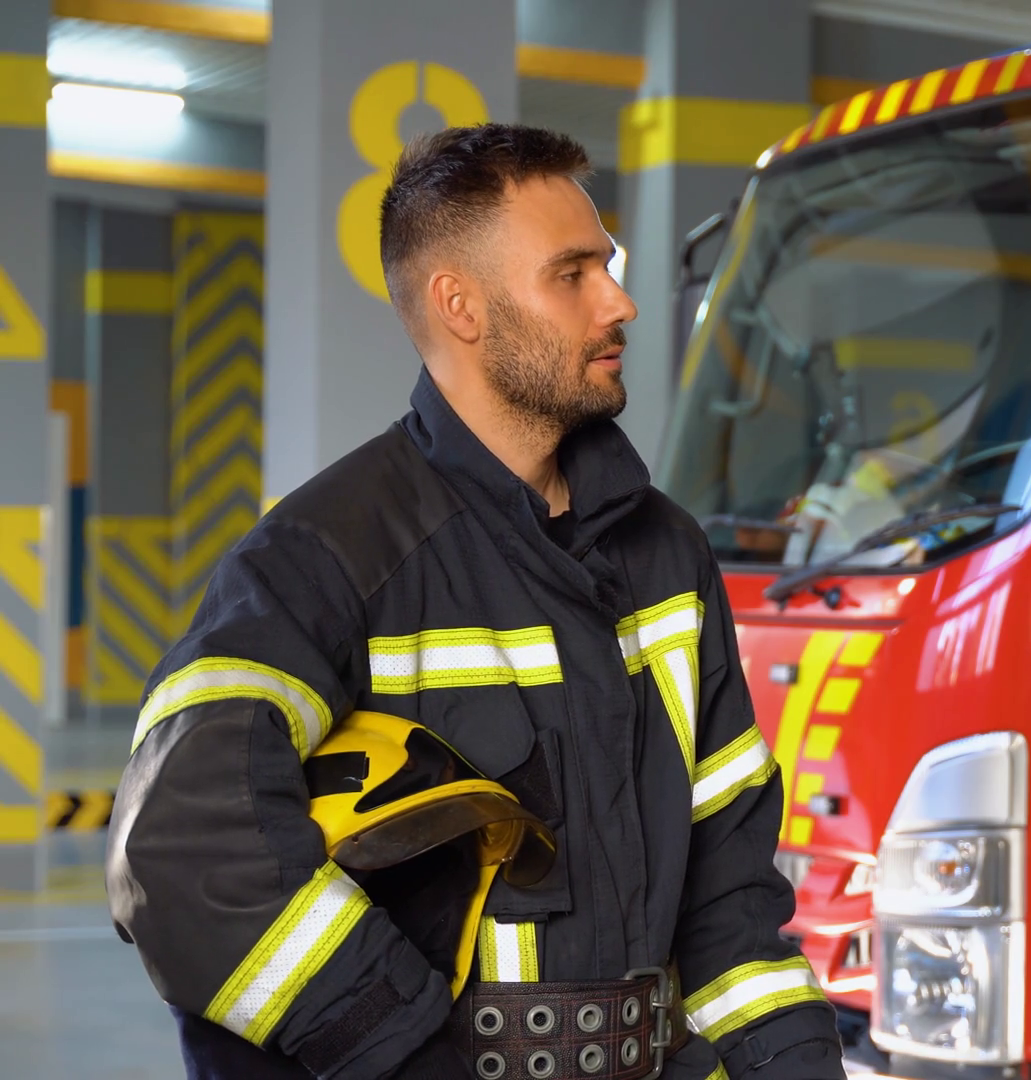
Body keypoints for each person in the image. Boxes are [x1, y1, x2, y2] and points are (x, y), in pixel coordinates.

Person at [104, 123, 846, 1080]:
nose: (618, 301)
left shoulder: (667, 554)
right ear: (460, 305)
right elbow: (183, 844)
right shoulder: (326, 555)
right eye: (572, 274)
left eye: (607, 266)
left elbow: (730, 898)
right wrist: (401, 1049)